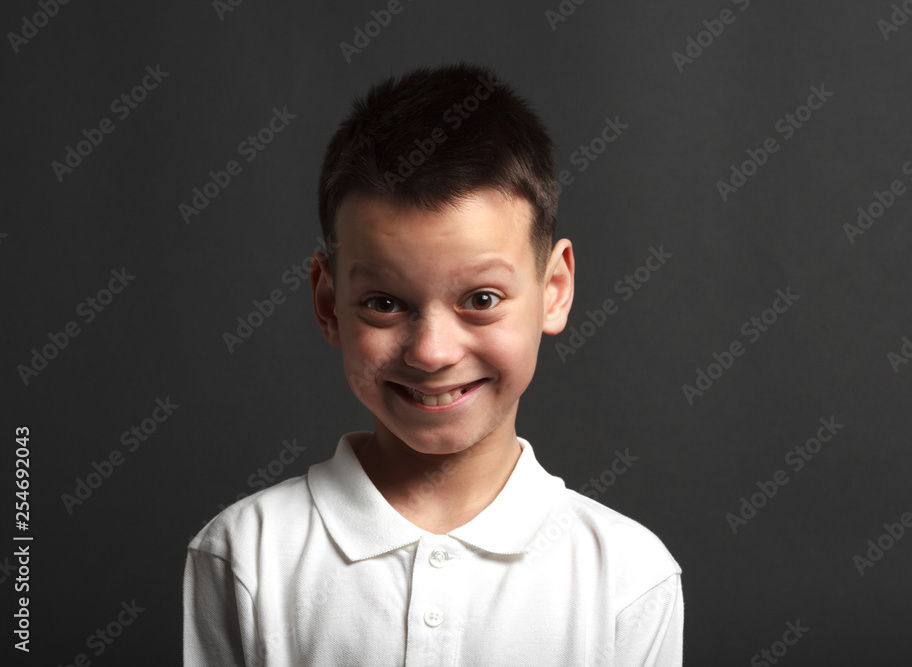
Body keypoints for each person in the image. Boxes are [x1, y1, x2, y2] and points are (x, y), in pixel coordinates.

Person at [184, 62, 683, 666]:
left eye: (481, 300)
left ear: (554, 288)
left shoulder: (629, 578)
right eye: (385, 303)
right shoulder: (245, 555)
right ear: (327, 302)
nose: (432, 352)